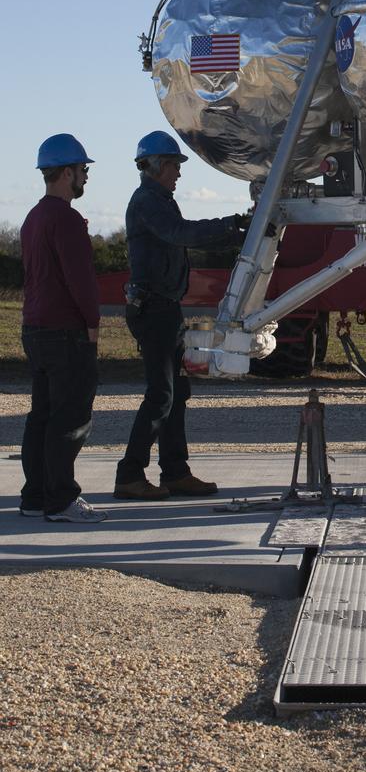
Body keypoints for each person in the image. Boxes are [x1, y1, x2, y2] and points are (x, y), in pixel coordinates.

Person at [114, 131, 247, 501]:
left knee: (175, 394)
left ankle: (175, 472)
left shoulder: (159, 200)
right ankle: (129, 474)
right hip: (153, 310)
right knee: (161, 395)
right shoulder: (148, 202)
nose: (178, 172)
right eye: (174, 164)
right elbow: (180, 234)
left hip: (164, 309)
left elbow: (181, 234)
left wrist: (233, 230)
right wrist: (231, 226)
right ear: (156, 166)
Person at [19, 134, 107, 524]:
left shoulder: (34, 217)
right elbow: (80, 281)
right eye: (83, 170)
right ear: (67, 172)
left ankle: (35, 496)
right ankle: (61, 501)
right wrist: (93, 325)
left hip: (35, 328)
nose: (85, 177)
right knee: (70, 418)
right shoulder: (66, 219)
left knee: (42, 415)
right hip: (65, 331)